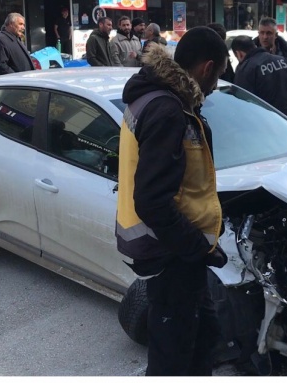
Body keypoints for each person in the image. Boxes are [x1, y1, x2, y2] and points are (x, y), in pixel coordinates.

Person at [116, 26, 229, 376]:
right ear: (207, 68)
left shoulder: (164, 101)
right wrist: (198, 247)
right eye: (218, 76)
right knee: (173, 359)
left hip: (178, 254)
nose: (214, 87)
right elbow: (152, 200)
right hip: (170, 255)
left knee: (204, 336)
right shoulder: (167, 110)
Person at [231, 35, 287, 122]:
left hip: (264, 126)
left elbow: (241, 104)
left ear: (239, 54)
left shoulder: (245, 69)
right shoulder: (283, 60)